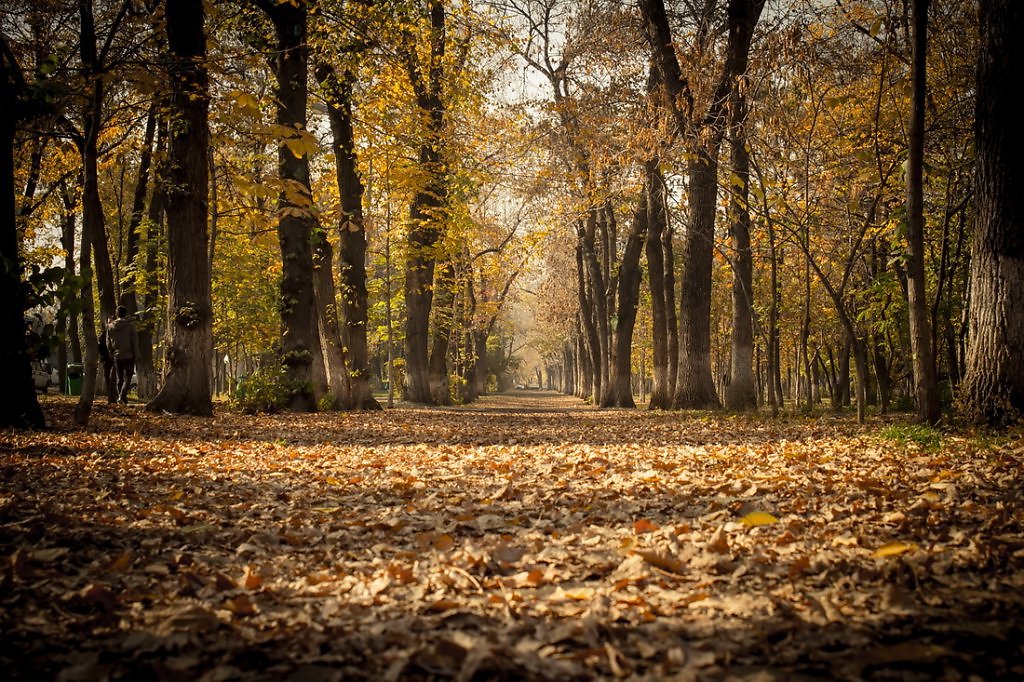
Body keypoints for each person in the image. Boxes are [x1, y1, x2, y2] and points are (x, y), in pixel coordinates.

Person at [106, 306, 139, 405]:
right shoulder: (130, 326)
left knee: (119, 378)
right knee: (128, 377)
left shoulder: (110, 326)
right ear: (125, 314)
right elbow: (135, 341)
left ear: (117, 314)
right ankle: (121, 396)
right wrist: (136, 355)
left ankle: (123, 400)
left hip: (117, 355)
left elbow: (108, 342)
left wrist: (111, 352)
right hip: (129, 355)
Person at [98, 316, 117, 403]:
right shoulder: (103, 334)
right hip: (106, 359)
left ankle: (115, 395)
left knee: (116, 378)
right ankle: (111, 396)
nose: (110, 324)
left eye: (112, 322)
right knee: (107, 378)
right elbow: (100, 347)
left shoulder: (118, 333)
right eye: (109, 322)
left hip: (116, 359)